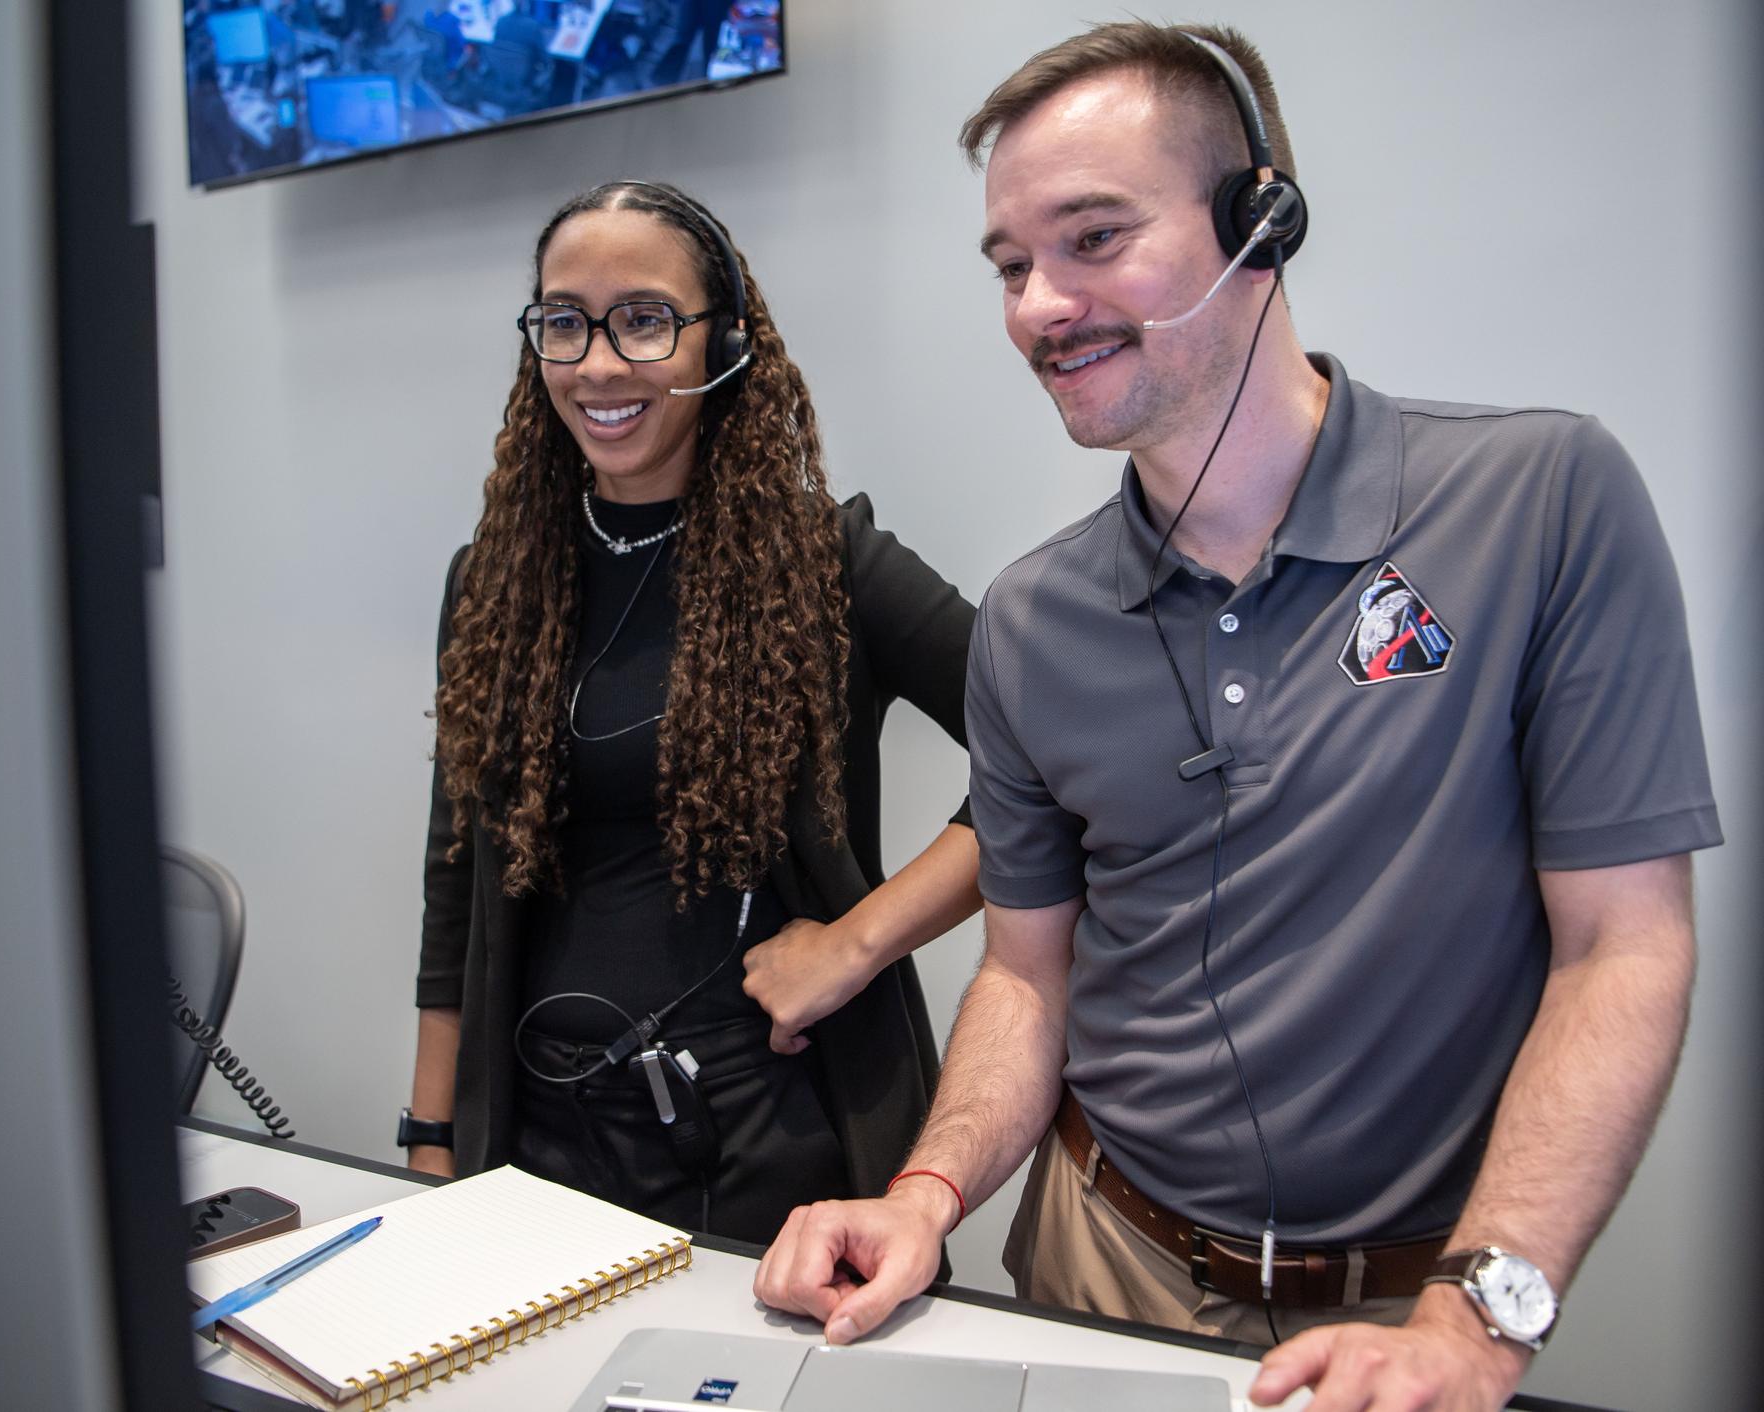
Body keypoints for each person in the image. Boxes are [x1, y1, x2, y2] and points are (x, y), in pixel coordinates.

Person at [753, 22, 1720, 1410]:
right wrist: (925, 1195)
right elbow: (1031, 975)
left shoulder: (1544, 500)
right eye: (1012, 264)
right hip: (1103, 1264)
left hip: (1412, 1301)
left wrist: (1481, 1320)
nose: (1037, 305)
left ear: (1262, 221)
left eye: (1092, 238)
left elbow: (1621, 949)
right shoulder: (1032, 620)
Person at [406, 180, 981, 1246]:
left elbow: (1052, 762)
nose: (598, 364)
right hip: (538, 1137)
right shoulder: (493, 580)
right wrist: (431, 1136)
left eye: (644, 319)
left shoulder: (824, 564)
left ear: (725, 341)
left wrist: (857, 943)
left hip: (771, 1143)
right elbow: (456, 880)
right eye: (564, 322)